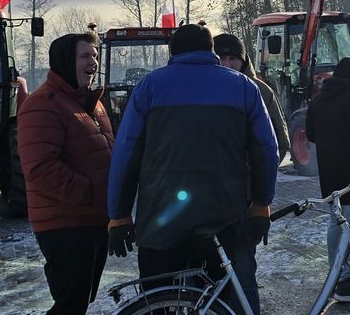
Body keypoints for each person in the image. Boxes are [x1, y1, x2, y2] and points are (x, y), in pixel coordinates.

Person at [106, 23, 279, 315]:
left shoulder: (149, 87)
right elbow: (266, 150)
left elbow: (126, 153)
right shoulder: (243, 86)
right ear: (211, 51)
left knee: (160, 300)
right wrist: (261, 205)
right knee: (221, 300)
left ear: (172, 52)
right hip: (223, 218)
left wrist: (119, 214)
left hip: (161, 219)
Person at [17, 32, 113, 315]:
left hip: (93, 218)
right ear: (64, 61)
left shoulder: (92, 103)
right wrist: (88, 192)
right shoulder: (42, 104)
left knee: (77, 302)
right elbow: (40, 168)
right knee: (70, 305)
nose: (93, 62)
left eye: (95, 56)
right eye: (85, 56)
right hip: (66, 224)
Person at [305, 57, 350, 302]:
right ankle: (346, 283)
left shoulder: (317, 101)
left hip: (328, 173)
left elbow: (311, 135)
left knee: (335, 223)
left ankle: (335, 276)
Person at [213, 33, 291, 163]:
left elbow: (280, 142)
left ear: (243, 61)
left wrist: (259, 171)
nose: (227, 64)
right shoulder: (201, 90)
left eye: (232, 58)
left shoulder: (261, 91)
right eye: (222, 58)